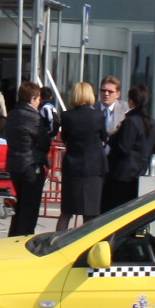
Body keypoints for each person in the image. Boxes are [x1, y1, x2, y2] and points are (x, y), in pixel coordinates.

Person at [3, 81, 54, 236]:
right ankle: (23, 238)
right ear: (33, 98)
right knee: (29, 208)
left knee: (20, 205)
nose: (39, 102)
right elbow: (44, 142)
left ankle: (13, 237)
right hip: (31, 164)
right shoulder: (33, 117)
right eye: (38, 98)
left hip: (15, 163)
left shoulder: (13, 114)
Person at [56, 81, 108, 227]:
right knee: (90, 213)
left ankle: (58, 239)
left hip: (72, 168)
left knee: (66, 212)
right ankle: (87, 240)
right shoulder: (98, 116)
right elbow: (104, 137)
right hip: (93, 169)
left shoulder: (67, 116)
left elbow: (65, 138)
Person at [102, 81, 155, 211]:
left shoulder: (131, 121)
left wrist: (113, 138)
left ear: (131, 101)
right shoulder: (152, 122)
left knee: (111, 212)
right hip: (140, 174)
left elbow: (123, 147)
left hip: (121, 176)